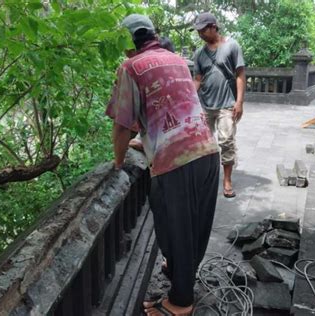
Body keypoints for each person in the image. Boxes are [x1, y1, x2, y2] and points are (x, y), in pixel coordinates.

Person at [106, 14, 220, 316]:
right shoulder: (176, 59)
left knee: (177, 228)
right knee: (193, 227)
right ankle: (179, 276)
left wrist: (118, 162)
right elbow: (172, 108)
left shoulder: (130, 67)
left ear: (129, 43)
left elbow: (121, 125)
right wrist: (147, 141)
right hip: (207, 150)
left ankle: (181, 303)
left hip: (177, 162)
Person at [192, 12, 246, 199]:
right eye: (198, 31)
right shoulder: (199, 53)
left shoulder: (232, 46)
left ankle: (227, 180)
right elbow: (197, 79)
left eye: (203, 30)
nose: (200, 34)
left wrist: (239, 102)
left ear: (214, 27)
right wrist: (188, 101)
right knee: (203, 144)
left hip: (227, 104)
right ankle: (206, 178)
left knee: (226, 142)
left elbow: (240, 74)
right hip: (205, 105)